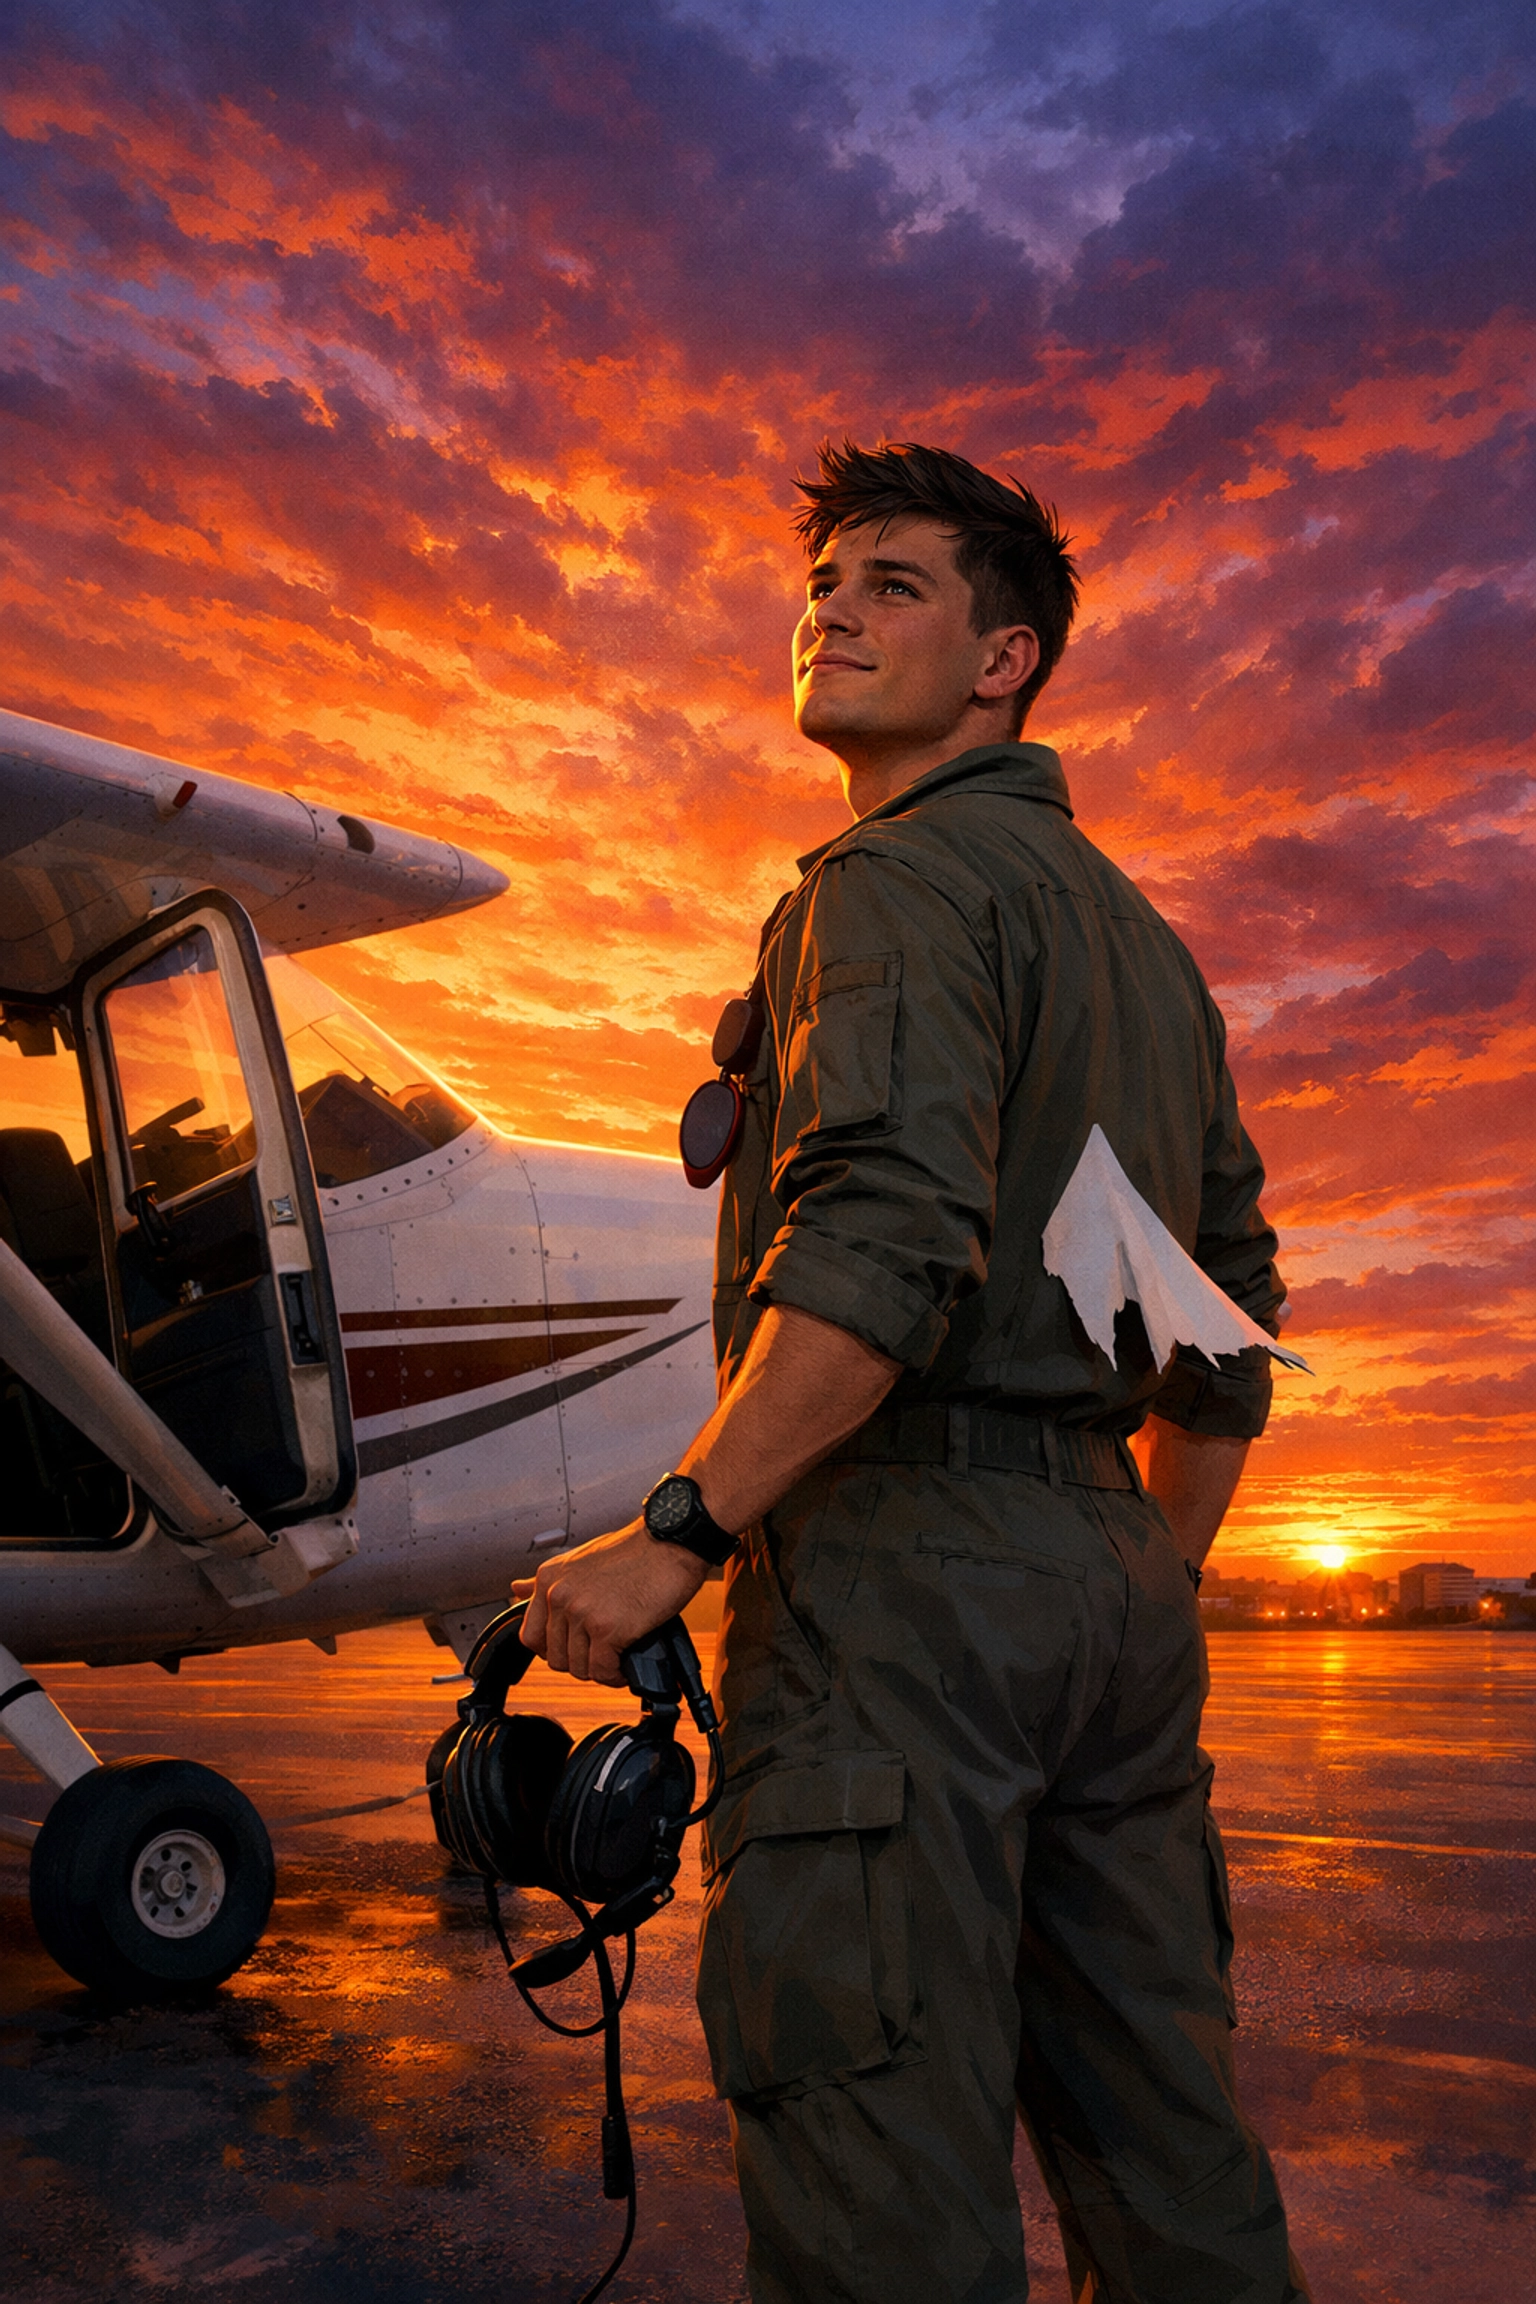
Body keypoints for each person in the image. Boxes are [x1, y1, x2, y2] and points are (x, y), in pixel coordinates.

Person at [515, 439, 1310, 2304]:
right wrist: (1134, 1569)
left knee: (880, 2179)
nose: (832, 612)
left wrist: (676, 1534)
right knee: (1170, 2161)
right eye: (823, 585)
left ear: (1004, 659)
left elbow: (875, 1254)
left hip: (899, 1589)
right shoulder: (1148, 946)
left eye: (893, 586)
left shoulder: (890, 886)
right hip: (1110, 1586)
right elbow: (1225, 1330)